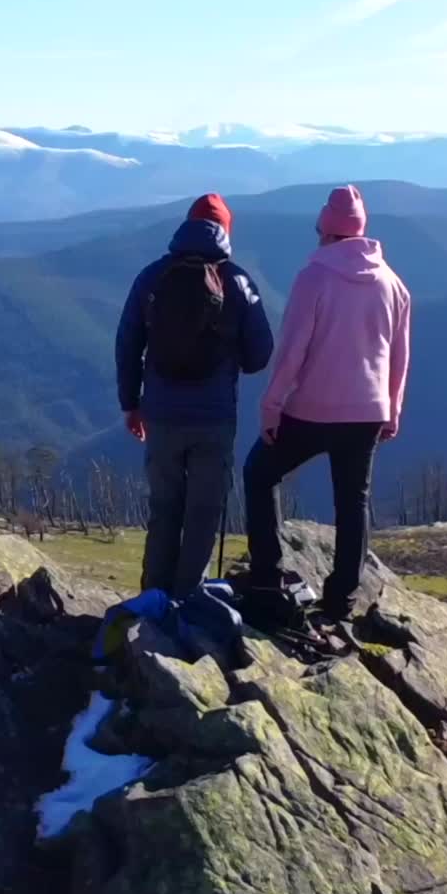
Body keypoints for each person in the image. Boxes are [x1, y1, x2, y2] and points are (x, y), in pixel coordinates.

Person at [243, 184, 410, 624]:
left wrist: (272, 406)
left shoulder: (313, 277)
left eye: (319, 228)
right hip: (368, 412)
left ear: (328, 230)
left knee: (260, 473)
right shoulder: (393, 284)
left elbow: (293, 349)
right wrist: (392, 410)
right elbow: (399, 356)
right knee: (353, 502)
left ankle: (266, 576)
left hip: (313, 407)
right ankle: (341, 601)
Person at [116, 193, 273, 598]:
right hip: (214, 418)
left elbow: (128, 342)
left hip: (161, 415)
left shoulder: (151, 277)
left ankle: (152, 595)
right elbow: (260, 356)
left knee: (164, 506)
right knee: (204, 512)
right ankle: (188, 597)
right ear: (225, 231)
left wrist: (131, 404)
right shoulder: (237, 281)